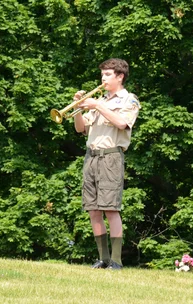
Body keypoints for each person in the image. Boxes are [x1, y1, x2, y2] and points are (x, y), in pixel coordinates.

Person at [73, 58, 140, 270]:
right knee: (93, 209)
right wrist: (77, 108)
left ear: (120, 76)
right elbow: (80, 129)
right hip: (91, 156)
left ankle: (117, 261)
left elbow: (122, 123)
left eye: (108, 74)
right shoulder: (99, 100)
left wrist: (98, 105)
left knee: (110, 209)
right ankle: (102, 258)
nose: (103, 78)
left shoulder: (129, 100)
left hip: (111, 157)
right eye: (102, 74)